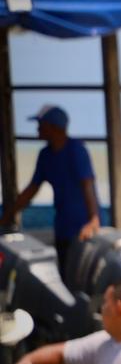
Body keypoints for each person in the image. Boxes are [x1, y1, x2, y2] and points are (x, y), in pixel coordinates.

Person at [0, 104, 101, 277]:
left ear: (53, 127)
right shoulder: (45, 155)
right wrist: (7, 217)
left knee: (81, 277)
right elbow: (31, 190)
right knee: (65, 274)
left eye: (41, 124)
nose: (37, 128)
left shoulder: (76, 151)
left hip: (83, 229)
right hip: (62, 226)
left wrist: (93, 220)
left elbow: (88, 185)